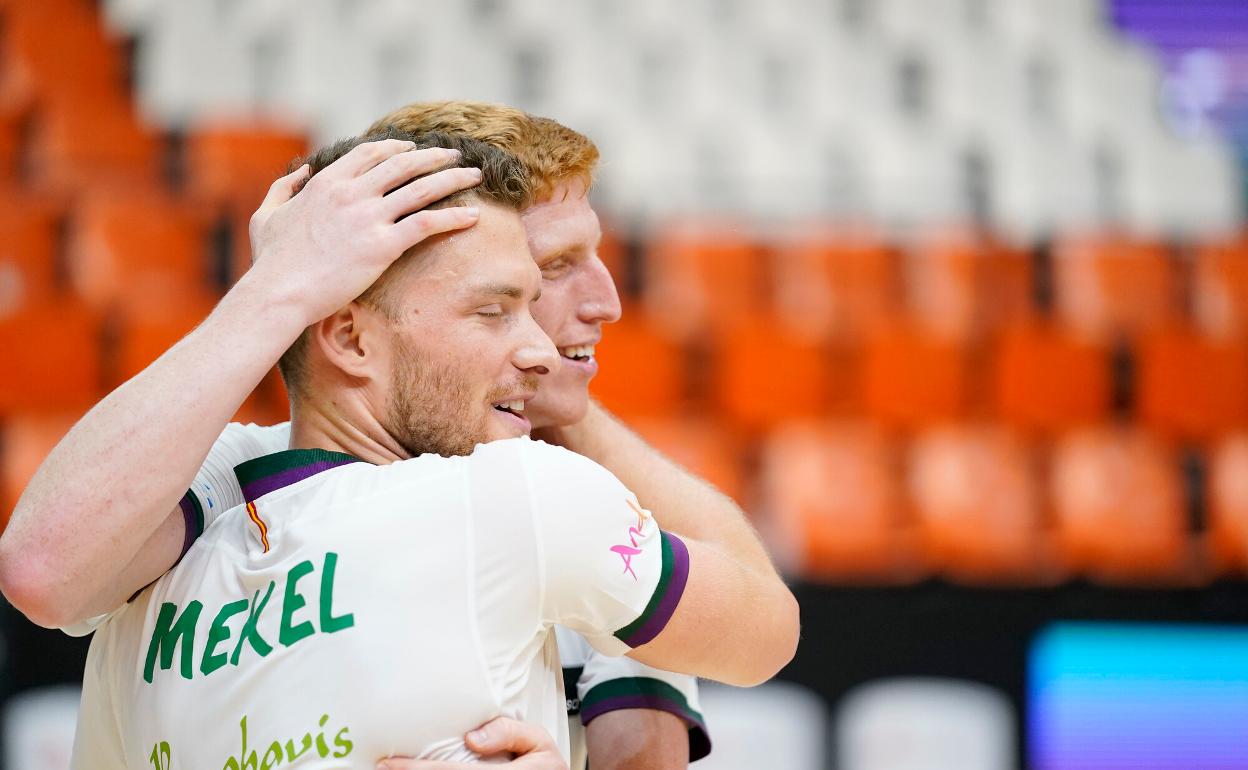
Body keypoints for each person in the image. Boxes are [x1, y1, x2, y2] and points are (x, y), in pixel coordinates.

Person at [0, 103, 781, 768]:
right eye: (534, 280)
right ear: (350, 315)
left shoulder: (553, 500)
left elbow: (756, 631)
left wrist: (563, 409)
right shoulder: (219, 478)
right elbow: (43, 566)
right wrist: (274, 287)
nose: (605, 301)